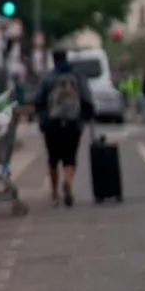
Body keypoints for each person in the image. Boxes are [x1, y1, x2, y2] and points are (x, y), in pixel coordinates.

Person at [34, 48, 94, 204]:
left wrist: (43, 119)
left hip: (52, 125)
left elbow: (38, 100)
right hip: (73, 124)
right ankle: (68, 181)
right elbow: (87, 99)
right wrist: (84, 118)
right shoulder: (77, 77)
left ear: (53, 60)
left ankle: (54, 193)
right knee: (70, 157)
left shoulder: (47, 78)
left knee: (53, 159)